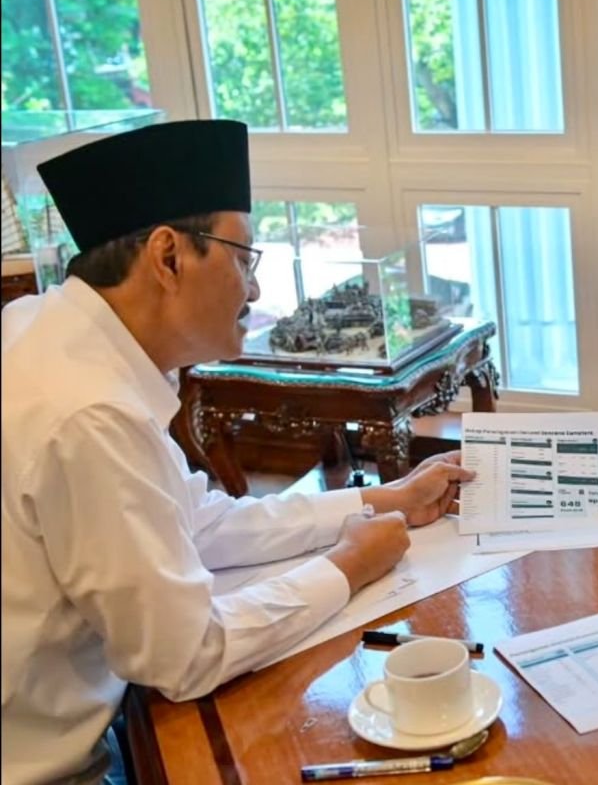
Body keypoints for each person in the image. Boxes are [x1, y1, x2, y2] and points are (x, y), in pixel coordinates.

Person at [0, 120, 473, 785]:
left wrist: (378, 499)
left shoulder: (45, 330)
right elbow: (186, 656)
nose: (253, 292)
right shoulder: (89, 412)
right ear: (168, 257)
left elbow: (196, 524)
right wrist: (349, 565)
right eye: (243, 259)